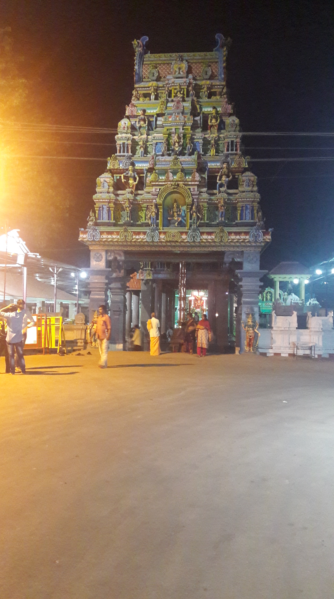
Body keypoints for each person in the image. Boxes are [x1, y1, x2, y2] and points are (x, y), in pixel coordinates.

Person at [0, 301, 35, 374]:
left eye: (22, 304)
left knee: (14, 353)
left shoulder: (20, 313)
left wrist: (25, 328)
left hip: (18, 335)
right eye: (20, 304)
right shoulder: (21, 314)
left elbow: (32, 322)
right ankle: (18, 368)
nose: (21, 305)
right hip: (16, 335)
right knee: (17, 353)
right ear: (17, 305)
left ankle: (15, 368)